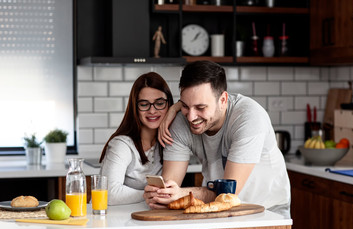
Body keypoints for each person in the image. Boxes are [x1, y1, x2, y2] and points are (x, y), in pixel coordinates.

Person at [144, 61, 291, 218]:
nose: (191, 117)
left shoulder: (248, 117)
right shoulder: (181, 121)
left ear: (222, 100)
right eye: (185, 106)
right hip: (216, 210)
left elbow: (228, 193)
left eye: (201, 108)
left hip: (266, 211)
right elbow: (170, 186)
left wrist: (181, 194)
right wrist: (161, 195)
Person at [99, 72, 178, 205]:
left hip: (146, 217)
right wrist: (154, 194)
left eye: (159, 103)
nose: (152, 111)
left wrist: (175, 108)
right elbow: (108, 194)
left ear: (168, 104)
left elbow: (188, 105)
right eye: (144, 104)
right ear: (135, 108)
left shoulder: (167, 141)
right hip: (112, 219)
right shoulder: (122, 145)